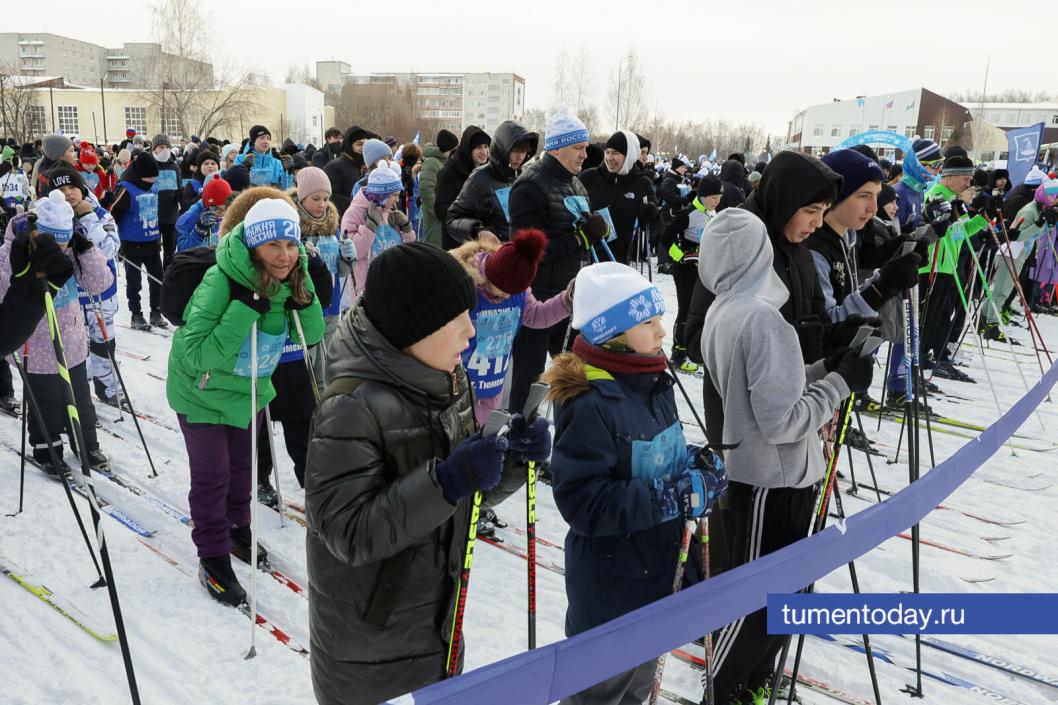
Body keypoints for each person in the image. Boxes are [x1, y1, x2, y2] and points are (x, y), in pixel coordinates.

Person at [304, 242, 544, 705]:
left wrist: (510, 460)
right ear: (415, 328)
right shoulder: (350, 407)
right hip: (370, 650)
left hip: (438, 625)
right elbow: (348, 534)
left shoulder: (449, 379)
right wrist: (446, 481)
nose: (471, 331)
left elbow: (466, 496)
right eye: (457, 319)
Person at [698, 208, 873, 705]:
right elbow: (783, 421)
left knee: (781, 598)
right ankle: (723, 690)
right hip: (771, 481)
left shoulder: (726, 309)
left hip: (769, 475)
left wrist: (826, 367)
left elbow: (771, 389)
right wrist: (839, 384)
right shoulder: (760, 319)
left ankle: (749, 684)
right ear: (759, 256)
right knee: (761, 603)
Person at [542, 260, 725, 705]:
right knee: (597, 696)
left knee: (636, 690)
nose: (662, 331)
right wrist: (671, 496)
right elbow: (584, 503)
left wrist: (697, 466)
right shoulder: (589, 402)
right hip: (611, 590)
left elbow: (657, 457)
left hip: (656, 574)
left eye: (659, 318)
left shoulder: (650, 381)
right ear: (612, 333)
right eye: (648, 322)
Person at [166, 193, 324, 605]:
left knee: (242, 469)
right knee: (213, 475)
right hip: (201, 393)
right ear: (253, 245)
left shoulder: (292, 275)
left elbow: (312, 334)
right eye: (273, 245)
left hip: (247, 389)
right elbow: (196, 354)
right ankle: (212, 556)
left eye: (291, 245)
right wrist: (242, 309)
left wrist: (304, 291)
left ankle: (237, 529)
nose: (284, 255)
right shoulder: (221, 281)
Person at [684, 150, 841, 448]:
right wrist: (792, 341)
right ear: (785, 200)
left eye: (824, 211)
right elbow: (696, 339)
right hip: (740, 426)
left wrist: (834, 337)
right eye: (811, 211)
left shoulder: (801, 250)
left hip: (793, 413)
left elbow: (816, 315)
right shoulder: (736, 242)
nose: (819, 223)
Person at [0, 190, 114, 476]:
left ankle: (86, 444)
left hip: (71, 341)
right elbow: (5, 292)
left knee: (80, 400)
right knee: (46, 403)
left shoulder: (72, 251)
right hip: (36, 344)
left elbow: (101, 283)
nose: (61, 249)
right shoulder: (14, 251)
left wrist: (86, 249)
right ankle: (47, 449)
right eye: (55, 242)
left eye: (66, 242)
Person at [506, 111, 608, 414]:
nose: (585, 155)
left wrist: (597, 229)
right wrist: (579, 239)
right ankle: (519, 437)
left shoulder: (576, 184)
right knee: (530, 382)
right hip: (538, 299)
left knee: (575, 379)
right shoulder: (530, 185)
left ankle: (571, 435)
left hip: (571, 296)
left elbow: (581, 231)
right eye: (578, 148)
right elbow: (526, 252)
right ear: (557, 148)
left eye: (585, 147)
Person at [48, 163, 125, 410]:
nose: (68, 194)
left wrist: (88, 218)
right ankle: (80, 397)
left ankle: (109, 387)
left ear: (82, 188)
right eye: (62, 190)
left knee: (104, 344)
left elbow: (110, 249)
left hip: (102, 294)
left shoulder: (100, 215)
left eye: (72, 187)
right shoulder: (51, 220)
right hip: (69, 298)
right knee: (75, 349)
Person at [917, 155, 980, 382]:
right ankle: (918, 358)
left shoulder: (956, 200)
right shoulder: (935, 195)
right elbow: (933, 228)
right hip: (932, 267)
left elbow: (961, 233)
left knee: (941, 317)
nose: (968, 184)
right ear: (950, 176)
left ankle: (933, 355)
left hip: (948, 266)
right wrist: (951, 213)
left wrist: (982, 217)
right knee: (927, 317)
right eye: (965, 179)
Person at [290, 166, 350, 394]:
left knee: (327, 368)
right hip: (306, 308)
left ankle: (325, 406)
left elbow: (341, 272)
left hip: (331, 307)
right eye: (315, 199)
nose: (322, 204)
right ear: (302, 197)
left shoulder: (332, 226)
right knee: (308, 368)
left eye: (326, 199)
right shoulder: (293, 226)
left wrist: (347, 258)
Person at [663, 174, 722, 374]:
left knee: (702, 310)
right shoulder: (688, 214)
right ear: (703, 196)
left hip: (704, 269)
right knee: (686, 309)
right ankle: (678, 355)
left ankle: (693, 350)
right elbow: (665, 238)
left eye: (719, 198)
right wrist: (680, 256)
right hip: (685, 270)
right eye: (713, 197)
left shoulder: (713, 212)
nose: (717, 201)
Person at [446, 120, 538, 246]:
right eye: (515, 151)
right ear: (502, 149)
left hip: (523, 251)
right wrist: (478, 231)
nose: (520, 157)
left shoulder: (525, 175)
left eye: (524, 151)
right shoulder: (480, 177)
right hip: (493, 253)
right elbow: (452, 219)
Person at [577, 130, 659, 264]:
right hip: (587, 260)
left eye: (615, 153)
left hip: (620, 262)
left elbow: (656, 227)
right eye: (607, 152)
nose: (609, 158)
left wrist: (651, 214)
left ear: (629, 155)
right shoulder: (589, 177)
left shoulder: (642, 183)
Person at [111, 151, 167, 331]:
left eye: (154, 178)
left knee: (157, 278)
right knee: (134, 281)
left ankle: (156, 311)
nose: (152, 181)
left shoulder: (154, 188)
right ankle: (136, 314)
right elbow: (113, 214)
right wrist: (115, 240)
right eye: (149, 178)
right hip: (132, 243)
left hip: (152, 241)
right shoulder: (127, 189)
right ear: (140, 175)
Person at [342, 164, 415, 293]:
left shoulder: (389, 210)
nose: (397, 200)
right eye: (394, 195)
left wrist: (406, 228)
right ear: (382, 194)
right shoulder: (355, 212)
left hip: (393, 280)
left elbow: (408, 248)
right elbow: (351, 253)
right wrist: (369, 228)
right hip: (368, 287)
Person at [436, 126, 491, 249]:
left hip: (485, 240)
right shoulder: (448, 173)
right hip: (458, 242)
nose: (484, 152)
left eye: (486, 146)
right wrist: (469, 219)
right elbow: (441, 209)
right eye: (479, 147)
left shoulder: (489, 171)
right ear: (468, 149)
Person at [418, 129, 458, 247]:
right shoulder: (432, 162)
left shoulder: (446, 161)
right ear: (445, 149)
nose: (455, 152)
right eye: (452, 149)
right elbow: (426, 190)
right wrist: (440, 212)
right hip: (435, 219)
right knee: (434, 251)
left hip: (445, 217)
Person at [324, 125, 375, 216]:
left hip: (365, 219)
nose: (363, 147)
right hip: (344, 220)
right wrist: (359, 203)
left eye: (366, 144)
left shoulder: (368, 167)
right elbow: (331, 197)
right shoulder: (334, 167)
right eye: (359, 144)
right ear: (349, 146)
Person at [150, 134, 183, 269]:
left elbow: (179, 189)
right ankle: (156, 274)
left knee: (170, 250)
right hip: (154, 216)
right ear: (154, 150)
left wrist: (183, 198)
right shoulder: (150, 166)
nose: (164, 150)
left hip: (171, 215)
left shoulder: (175, 167)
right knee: (153, 249)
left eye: (166, 147)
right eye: (160, 147)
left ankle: (168, 274)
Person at [176, 177, 233, 252]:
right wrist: (199, 232)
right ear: (208, 205)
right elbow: (182, 251)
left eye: (226, 208)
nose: (223, 214)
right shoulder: (188, 219)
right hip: (199, 258)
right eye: (218, 209)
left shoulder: (232, 211)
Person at [234, 125, 291, 191]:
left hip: (271, 197)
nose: (266, 141)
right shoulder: (240, 159)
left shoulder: (277, 163)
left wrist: (289, 171)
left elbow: (286, 189)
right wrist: (244, 168)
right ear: (253, 141)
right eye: (262, 138)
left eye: (268, 138)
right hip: (249, 197)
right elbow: (235, 185)